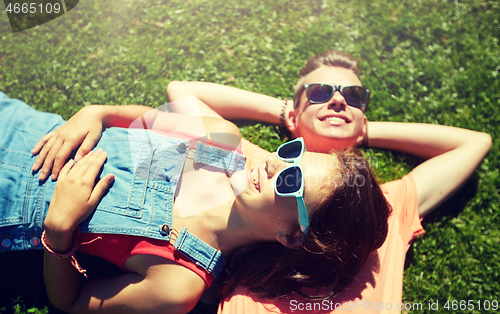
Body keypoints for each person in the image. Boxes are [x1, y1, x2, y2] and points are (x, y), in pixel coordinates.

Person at [27, 50, 491, 313]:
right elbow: (174, 106)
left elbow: (474, 143)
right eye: (320, 93)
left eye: (353, 97)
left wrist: (361, 132)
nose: (337, 102)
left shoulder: (382, 210)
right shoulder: (238, 161)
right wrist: (99, 112)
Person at [0, 90, 391, 314]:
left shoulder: (179, 281)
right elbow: (145, 120)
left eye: (291, 179)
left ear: (290, 235)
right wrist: (95, 113)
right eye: (290, 153)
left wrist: (59, 229)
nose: (272, 162)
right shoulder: (223, 137)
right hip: (17, 122)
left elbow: (71, 302)